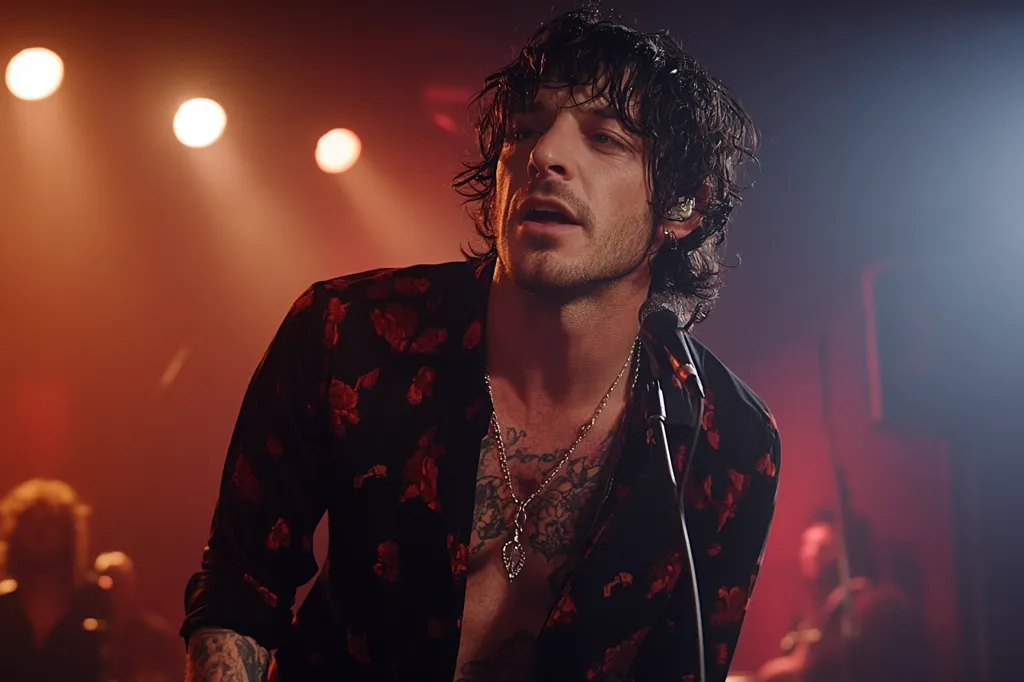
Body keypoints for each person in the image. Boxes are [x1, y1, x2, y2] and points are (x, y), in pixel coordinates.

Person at [182, 8, 781, 682]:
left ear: (683, 207)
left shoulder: (728, 439)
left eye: (605, 139)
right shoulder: (349, 332)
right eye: (524, 131)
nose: (545, 155)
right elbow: (240, 590)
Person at [755, 510, 931, 682]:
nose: (811, 554)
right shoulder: (813, 611)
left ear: (848, 552)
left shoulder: (875, 608)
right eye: (807, 544)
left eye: (823, 547)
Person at [0, 479, 106, 682]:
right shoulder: (3, 608)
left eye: (50, 522)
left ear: (68, 534)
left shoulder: (97, 606)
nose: (40, 532)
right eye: (30, 522)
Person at [94, 551, 183, 682]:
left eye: (119, 584)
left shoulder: (156, 636)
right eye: (105, 586)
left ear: (130, 586)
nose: (113, 593)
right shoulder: (89, 637)